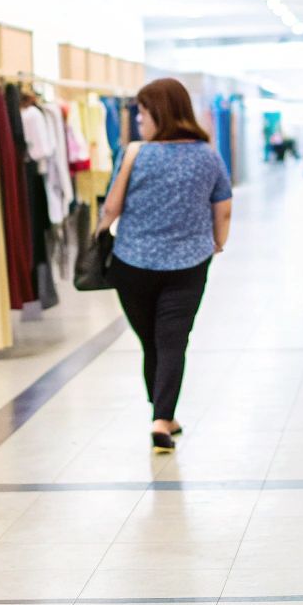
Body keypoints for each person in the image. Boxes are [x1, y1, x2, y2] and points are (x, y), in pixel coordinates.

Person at [95, 78, 233, 454]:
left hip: (132, 264)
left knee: (151, 342)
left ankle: (160, 414)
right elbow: (223, 207)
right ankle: (163, 418)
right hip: (189, 265)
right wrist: (218, 241)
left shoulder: (134, 154)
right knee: (172, 340)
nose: (139, 120)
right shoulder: (208, 155)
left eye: (142, 113)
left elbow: (111, 208)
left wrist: (101, 231)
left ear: (160, 113)